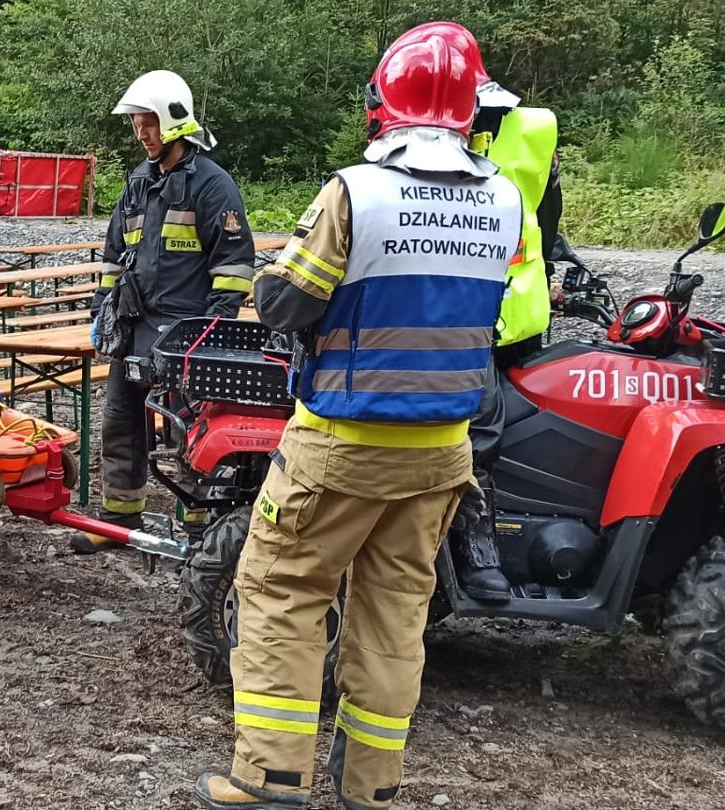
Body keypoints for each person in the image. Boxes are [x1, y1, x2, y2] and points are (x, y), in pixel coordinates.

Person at [191, 26, 523, 810]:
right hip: (443, 450)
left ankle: (269, 777)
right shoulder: (503, 197)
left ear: (384, 104)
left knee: (281, 588)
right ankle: (372, 784)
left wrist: (277, 276)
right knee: (396, 611)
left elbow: (285, 302)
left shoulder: (358, 192)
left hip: (343, 440)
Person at [406, 21, 565, 601]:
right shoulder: (528, 129)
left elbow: (545, 221)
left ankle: (478, 554)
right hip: (490, 310)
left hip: (494, 314)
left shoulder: (518, 134)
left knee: (479, 432)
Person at [78, 69, 255, 552]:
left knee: (190, 430)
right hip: (135, 329)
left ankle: (201, 530)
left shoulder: (211, 185)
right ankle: (120, 516)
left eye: (148, 122)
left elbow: (235, 265)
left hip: (186, 334)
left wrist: (214, 329)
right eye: (136, 123)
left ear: (174, 121)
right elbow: (114, 258)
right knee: (121, 420)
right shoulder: (138, 184)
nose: (141, 133)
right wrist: (102, 307)